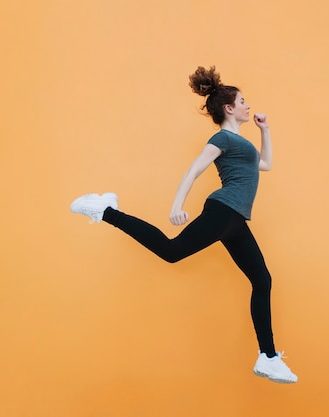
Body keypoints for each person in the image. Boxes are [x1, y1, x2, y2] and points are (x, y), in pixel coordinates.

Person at [70, 66, 297, 384]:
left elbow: (267, 164)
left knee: (262, 280)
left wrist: (266, 130)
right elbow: (194, 170)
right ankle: (105, 210)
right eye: (243, 101)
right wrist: (176, 206)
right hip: (223, 210)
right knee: (171, 251)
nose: (248, 106)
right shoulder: (222, 138)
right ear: (229, 108)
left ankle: (268, 357)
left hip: (235, 220)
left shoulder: (242, 145)